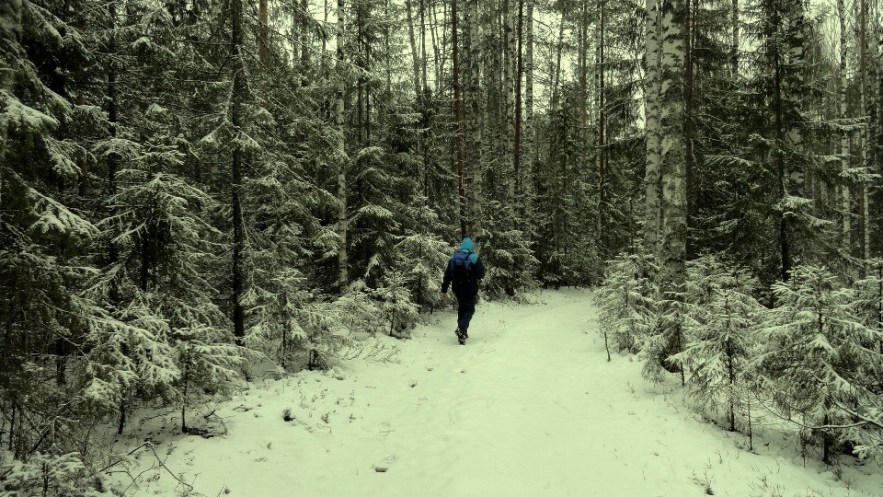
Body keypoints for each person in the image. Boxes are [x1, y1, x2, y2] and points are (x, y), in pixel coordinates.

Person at [441, 237, 485, 345]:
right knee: (470, 310)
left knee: (462, 308)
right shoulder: (474, 257)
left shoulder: (453, 258)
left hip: (457, 289)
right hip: (470, 289)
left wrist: (444, 290)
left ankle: (462, 335)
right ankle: (461, 328)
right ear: (471, 247)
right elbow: (480, 275)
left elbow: (447, 276)